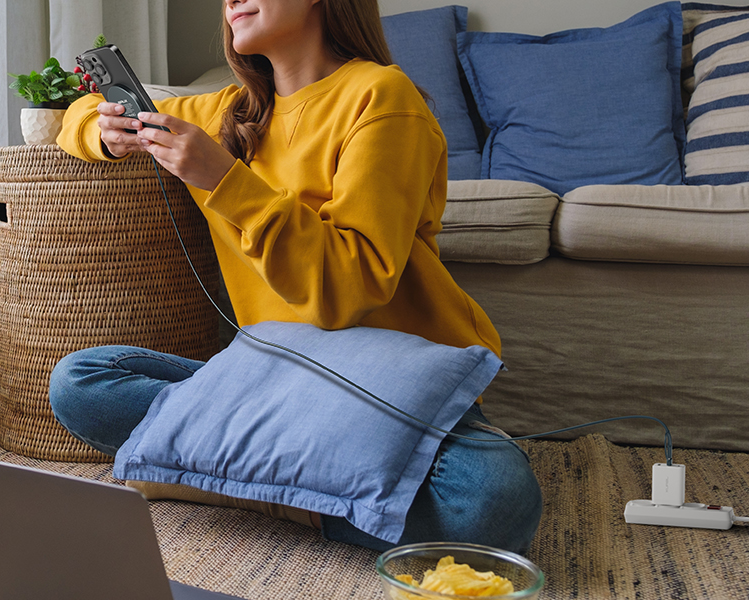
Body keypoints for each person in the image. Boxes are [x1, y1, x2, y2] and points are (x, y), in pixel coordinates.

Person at [49, 0, 543, 553]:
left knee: (492, 500)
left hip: (392, 389)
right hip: (277, 386)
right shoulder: (225, 112)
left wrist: (225, 180)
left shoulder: (381, 96)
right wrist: (105, 132)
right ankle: (311, 494)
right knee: (81, 381)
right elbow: (78, 111)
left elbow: (348, 293)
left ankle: (223, 480)